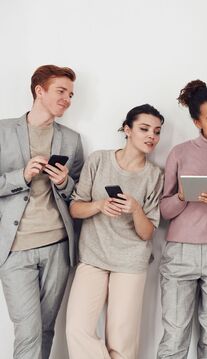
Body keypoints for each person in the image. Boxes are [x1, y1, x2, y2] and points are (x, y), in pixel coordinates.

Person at [65, 104, 164, 359]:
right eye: (144, 129)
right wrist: (99, 205)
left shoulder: (155, 176)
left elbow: (147, 233)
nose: (151, 136)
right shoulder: (99, 159)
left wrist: (135, 209)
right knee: (77, 329)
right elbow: (75, 209)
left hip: (130, 262)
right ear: (127, 129)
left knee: (122, 343)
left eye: (157, 131)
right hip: (93, 256)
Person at [0, 64, 83, 359]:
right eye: (61, 91)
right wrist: (20, 176)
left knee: (46, 329)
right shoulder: (2, 131)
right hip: (14, 248)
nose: (67, 99)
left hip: (58, 247)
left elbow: (78, 195)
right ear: (40, 91)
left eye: (71, 94)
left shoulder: (71, 140)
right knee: (28, 332)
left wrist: (64, 182)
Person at [157, 80, 207, 359]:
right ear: (197, 122)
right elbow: (164, 211)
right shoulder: (180, 153)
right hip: (179, 252)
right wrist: (181, 197)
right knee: (175, 334)